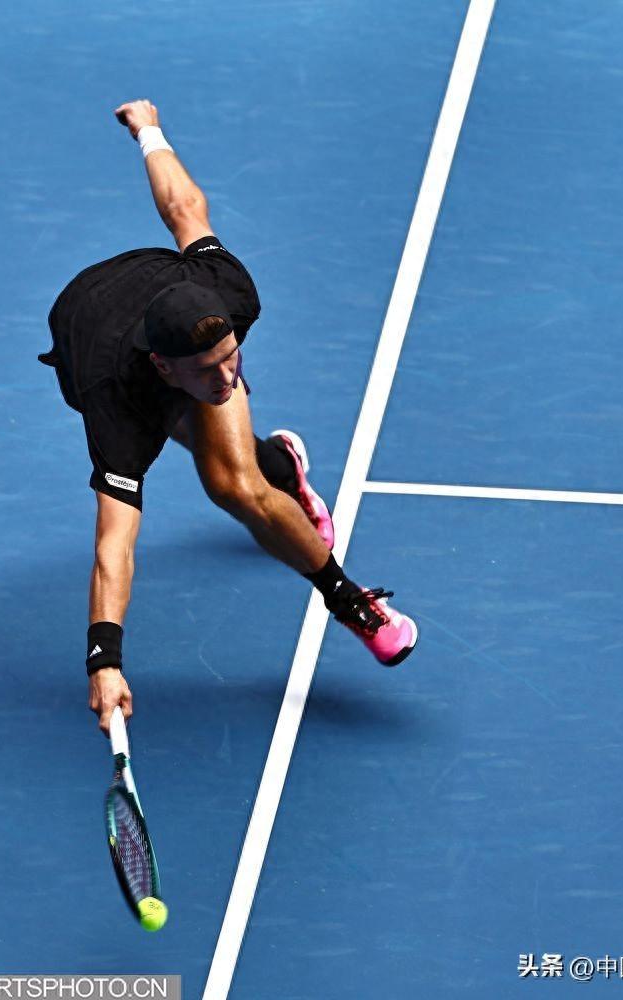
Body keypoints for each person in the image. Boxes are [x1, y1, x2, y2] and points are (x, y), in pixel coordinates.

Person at [39, 99, 418, 735]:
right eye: (210, 369)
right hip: (89, 335)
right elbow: (114, 544)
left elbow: (183, 208)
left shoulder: (227, 292)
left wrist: (148, 131)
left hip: (154, 302)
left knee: (235, 485)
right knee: (195, 432)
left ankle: (349, 599)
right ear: (163, 367)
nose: (230, 377)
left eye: (232, 357)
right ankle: (280, 465)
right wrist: (104, 661)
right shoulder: (118, 409)